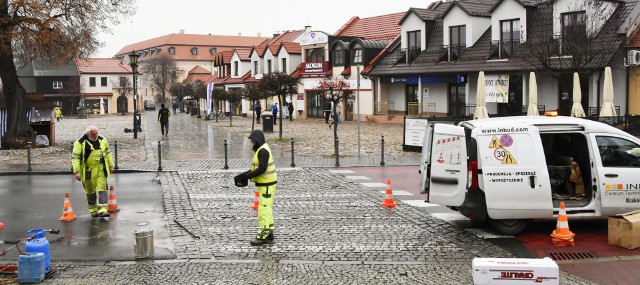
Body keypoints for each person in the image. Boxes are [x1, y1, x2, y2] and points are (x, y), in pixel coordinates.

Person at [234, 130, 277, 246]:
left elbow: (262, 169)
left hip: (267, 185)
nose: (252, 143)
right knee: (267, 209)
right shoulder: (262, 149)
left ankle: (263, 236)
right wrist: (244, 175)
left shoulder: (263, 151)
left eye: (253, 140)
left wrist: (246, 176)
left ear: (258, 140)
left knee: (263, 210)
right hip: (266, 185)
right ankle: (269, 233)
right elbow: (256, 168)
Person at [71, 126, 114, 218]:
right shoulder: (80, 143)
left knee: (102, 189)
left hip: (101, 169)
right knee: (90, 191)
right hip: (88, 170)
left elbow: (108, 153)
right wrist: (77, 172)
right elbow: (75, 158)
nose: (95, 135)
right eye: (93, 134)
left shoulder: (102, 140)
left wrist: (110, 165)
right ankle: (93, 209)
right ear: (88, 134)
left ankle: (102, 210)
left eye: (96, 133)